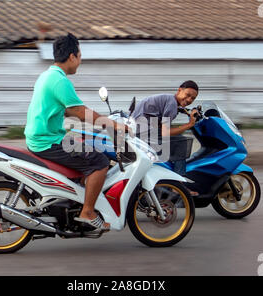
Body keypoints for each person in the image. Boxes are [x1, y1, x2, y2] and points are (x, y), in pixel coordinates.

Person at [24, 33, 127, 231]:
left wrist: (96, 123)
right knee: (100, 162)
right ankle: (87, 212)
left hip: (43, 136)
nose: (80, 61)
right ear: (72, 56)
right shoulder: (59, 81)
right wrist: (115, 126)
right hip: (47, 141)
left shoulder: (48, 75)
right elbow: (80, 112)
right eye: (79, 55)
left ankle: (76, 199)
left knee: (87, 144)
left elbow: (72, 111)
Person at [132, 80, 199, 176]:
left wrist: (188, 111)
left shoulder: (169, 99)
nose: (189, 100)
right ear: (179, 90)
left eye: (193, 98)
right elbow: (165, 132)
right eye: (187, 95)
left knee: (176, 138)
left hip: (139, 130)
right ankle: (179, 185)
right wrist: (189, 124)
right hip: (144, 133)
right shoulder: (172, 104)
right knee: (181, 143)